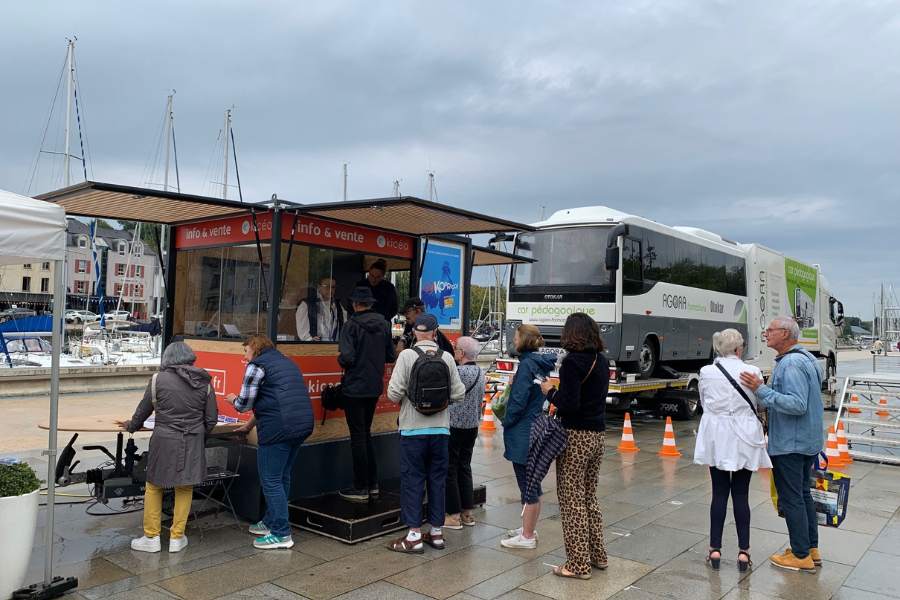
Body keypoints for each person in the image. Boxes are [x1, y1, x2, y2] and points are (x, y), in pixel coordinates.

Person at [740, 317, 823, 573]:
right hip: (806, 440)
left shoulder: (792, 364)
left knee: (792, 498)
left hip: (792, 443)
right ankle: (810, 548)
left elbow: (797, 404)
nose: (766, 333)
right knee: (803, 494)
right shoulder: (807, 358)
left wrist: (761, 390)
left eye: (771, 330)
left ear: (785, 334)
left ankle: (800, 556)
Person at [121, 341, 218, 554]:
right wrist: (198, 435)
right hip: (192, 440)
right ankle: (177, 537)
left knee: (154, 486)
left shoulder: (158, 380)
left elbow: (142, 411)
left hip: (164, 440)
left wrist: (132, 426)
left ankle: (151, 537)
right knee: (184, 487)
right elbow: (211, 419)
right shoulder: (204, 382)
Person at [386, 313, 465, 553]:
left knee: (413, 480)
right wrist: (440, 402)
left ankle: (413, 536)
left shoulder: (407, 356)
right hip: (441, 431)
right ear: (434, 332)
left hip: (412, 431)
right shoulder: (447, 358)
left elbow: (393, 394)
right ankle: (437, 533)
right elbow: (459, 393)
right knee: (437, 480)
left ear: (414, 333)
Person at [226, 335, 314, 550]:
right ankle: (272, 520)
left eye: (245, 352)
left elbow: (244, 403)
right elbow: (271, 400)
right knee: (282, 476)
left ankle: (281, 534)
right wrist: (248, 427)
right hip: (301, 426)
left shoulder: (257, 366)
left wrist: (232, 400)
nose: (245, 357)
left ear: (254, 349)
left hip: (278, 430)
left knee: (271, 480)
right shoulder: (286, 362)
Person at [694, 329, 772, 572]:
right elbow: (760, 402)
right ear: (739, 349)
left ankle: (715, 549)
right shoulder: (753, 372)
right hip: (744, 435)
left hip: (717, 434)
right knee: (741, 494)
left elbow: (705, 402)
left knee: (719, 493)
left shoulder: (707, 372)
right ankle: (743, 552)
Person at [539, 313, 609, 579]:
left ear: (571, 334)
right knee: (589, 497)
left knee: (571, 501)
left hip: (576, 436)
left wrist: (550, 391)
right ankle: (598, 555)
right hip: (598, 435)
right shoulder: (601, 361)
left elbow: (569, 404)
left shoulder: (571, 363)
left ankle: (578, 564)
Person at [337, 286, 397, 502]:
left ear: (354, 304)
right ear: (370, 304)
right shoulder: (384, 325)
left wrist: (341, 360)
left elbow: (347, 357)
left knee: (358, 438)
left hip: (354, 387)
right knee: (367, 434)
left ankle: (360, 487)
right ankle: (373, 484)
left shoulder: (350, 326)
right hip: (373, 386)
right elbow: (391, 355)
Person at [500, 324, 556, 550]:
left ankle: (527, 536)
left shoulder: (526, 366)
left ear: (525, 340)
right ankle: (528, 527)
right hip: (535, 427)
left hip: (523, 432)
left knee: (528, 486)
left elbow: (518, 402)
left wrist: (506, 419)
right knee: (533, 484)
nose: (513, 341)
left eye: (515, 337)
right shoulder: (538, 363)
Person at [444, 336, 484, 529]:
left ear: (462, 353)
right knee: (465, 467)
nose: (454, 350)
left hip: (454, 426)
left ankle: (453, 516)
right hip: (472, 426)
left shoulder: (457, 372)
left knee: (450, 469)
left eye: (456, 348)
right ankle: (467, 513)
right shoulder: (480, 372)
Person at [295, 276, 347, 341]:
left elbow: (345, 325)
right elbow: (303, 334)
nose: (331, 289)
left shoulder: (338, 306)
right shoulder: (306, 304)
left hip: (333, 346)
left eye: (333, 287)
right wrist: (310, 340)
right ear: (319, 287)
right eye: (327, 286)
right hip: (314, 347)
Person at [356, 258, 398, 323]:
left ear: (383, 276)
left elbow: (394, 309)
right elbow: (352, 305)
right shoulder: (361, 285)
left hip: (382, 324)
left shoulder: (389, 288)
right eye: (372, 276)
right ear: (369, 272)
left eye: (378, 277)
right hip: (363, 323)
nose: (374, 280)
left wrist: (382, 319)